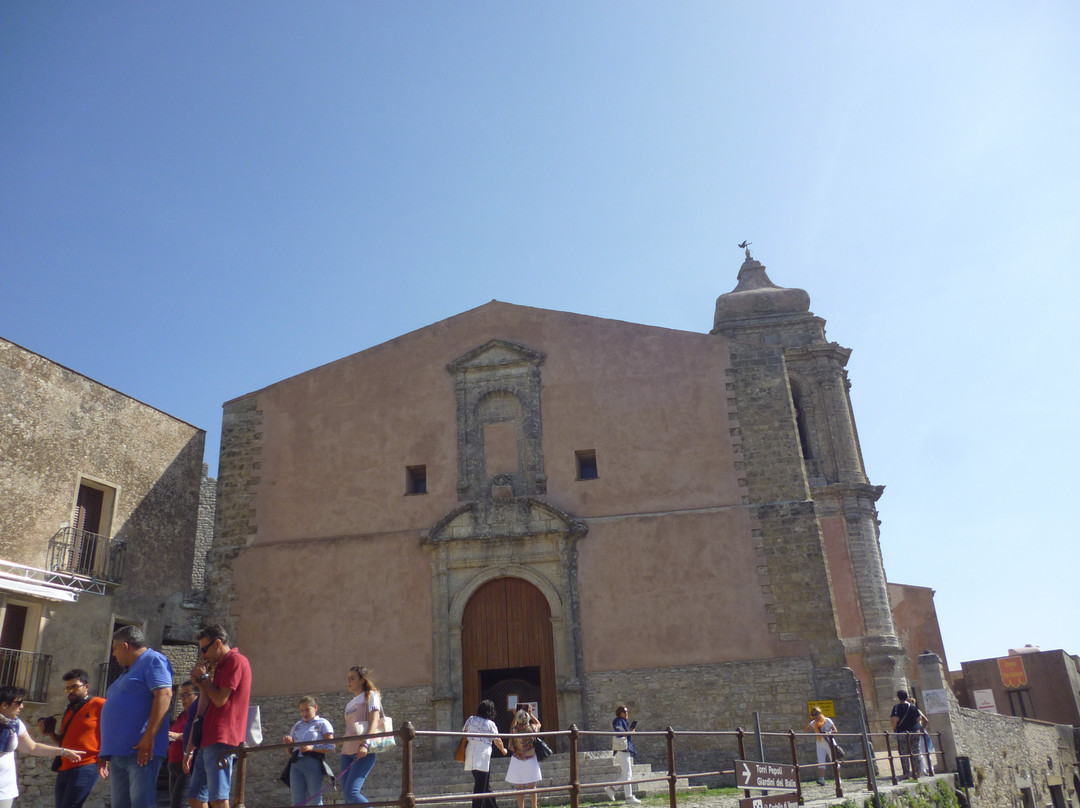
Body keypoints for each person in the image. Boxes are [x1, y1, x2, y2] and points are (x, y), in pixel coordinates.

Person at [99, 625, 174, 808]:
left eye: (115, 650)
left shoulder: (153, 660)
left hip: (141, 752)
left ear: (125, 646)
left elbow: (164, 694)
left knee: (142, 804)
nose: (114, 656)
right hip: (119, 753)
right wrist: (105, 751)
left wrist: (149, 736)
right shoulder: (128, 672)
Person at [187, 623, 251, 808]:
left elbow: (221, 699)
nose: (203, 655)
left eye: (204, 650)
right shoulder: (219, 666)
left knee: (218, 797)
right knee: (196, 798)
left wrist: (205, 678)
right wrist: (202, 683)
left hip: (222, 736)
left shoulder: (235, 661)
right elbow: (210, 698)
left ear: (217, 643)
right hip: (209, 736)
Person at [0, 686, 83, 808]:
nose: (22, 706)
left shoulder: (15, 724)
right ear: (4, 705)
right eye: (18, 703)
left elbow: (32, 747)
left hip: (5, 790)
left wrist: (63, 751)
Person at [37, 669, 104, 808]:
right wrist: (50, 733)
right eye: (68, 688)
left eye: (74, 687)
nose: (71, 691)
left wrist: (106, 757)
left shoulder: (99, 704)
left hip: (87, 765)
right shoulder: (70, 710)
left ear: (86, 686)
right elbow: (63, 743)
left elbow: (113, 730)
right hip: (65, 766)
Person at [340, 666, 383, 804]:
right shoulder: (349, 704)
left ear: (362, 680)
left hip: (363, 749)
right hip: (346, 752)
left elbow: (374, 721)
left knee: (351, 793)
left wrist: (365, 743)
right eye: (348, 678)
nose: (349, 681)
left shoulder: (371, 696)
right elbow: (351, 728)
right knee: (348, 798)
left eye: (352, 678)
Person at [283, 696, 335, 806]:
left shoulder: (323, 723)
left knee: (315, 798)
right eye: (301, 711)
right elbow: (290, 752)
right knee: (297, 801)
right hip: (296, 764)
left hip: (313, 762)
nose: (304, 713)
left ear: (315, 708)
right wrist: (288, 745)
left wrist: (312, 748)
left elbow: (331, 747)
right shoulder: (297, 726)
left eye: (307, 710)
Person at [461, 700, 506, 808]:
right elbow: (497, 740)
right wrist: (503, 750)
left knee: (484, 785)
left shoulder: (471, 719)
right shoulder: (490, 724)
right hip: (482, 755)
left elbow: (464, 732)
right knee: (481, 787)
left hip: (471, 753)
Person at [167, 682, 198, 808]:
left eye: (186, 694)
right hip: (173, 765)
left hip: (186, 766)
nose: (182, 699)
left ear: (198, 695)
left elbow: (193, 735)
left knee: (180, 805)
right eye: (181, 696)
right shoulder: (182, 715)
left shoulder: (196, 714)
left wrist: (174, 735)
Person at [504, 705, 541, 808]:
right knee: (532, 785)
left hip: (518, 758)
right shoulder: (532, 728)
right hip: (530, 758)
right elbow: (539, 724)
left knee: (520, 786)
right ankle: (534, 806)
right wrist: (531, 714)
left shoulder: (514, 730)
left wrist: (515, 716)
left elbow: (512, 727)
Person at [604, 705, 639, 803]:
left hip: (622, 750)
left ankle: (616, 791)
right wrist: (629, 733)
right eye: (625, 711)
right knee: (628, 774)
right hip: (622, 750)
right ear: (619, 713)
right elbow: (619, 732)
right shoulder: (619, 721)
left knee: (627, 774)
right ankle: (627, 797)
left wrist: (629, 732)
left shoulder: (621, 721)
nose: (627, 713)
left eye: (627, 711)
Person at [890, 690, 923, 778]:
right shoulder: (913, 707)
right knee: (916, 751)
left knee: (904, 752)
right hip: (914, 731)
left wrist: (894, 729)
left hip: (902, 732)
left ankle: (906, 773)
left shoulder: (896, 707)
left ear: (898, 697)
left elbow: (895, 719)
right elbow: (919, 718)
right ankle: (918, 772)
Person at [806, 707, 837, 786]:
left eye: (816, 714)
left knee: (834, 760)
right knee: (821, 761)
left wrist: (829, 732)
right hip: (820, 743)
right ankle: (822, 779)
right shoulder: (813, 723)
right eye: (813, 715)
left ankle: (838, 779)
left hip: (829, 742)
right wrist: (808, 719)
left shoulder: (827, 720)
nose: (815, 716)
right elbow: (806, 729)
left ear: (820, 713)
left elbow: (835, 730)